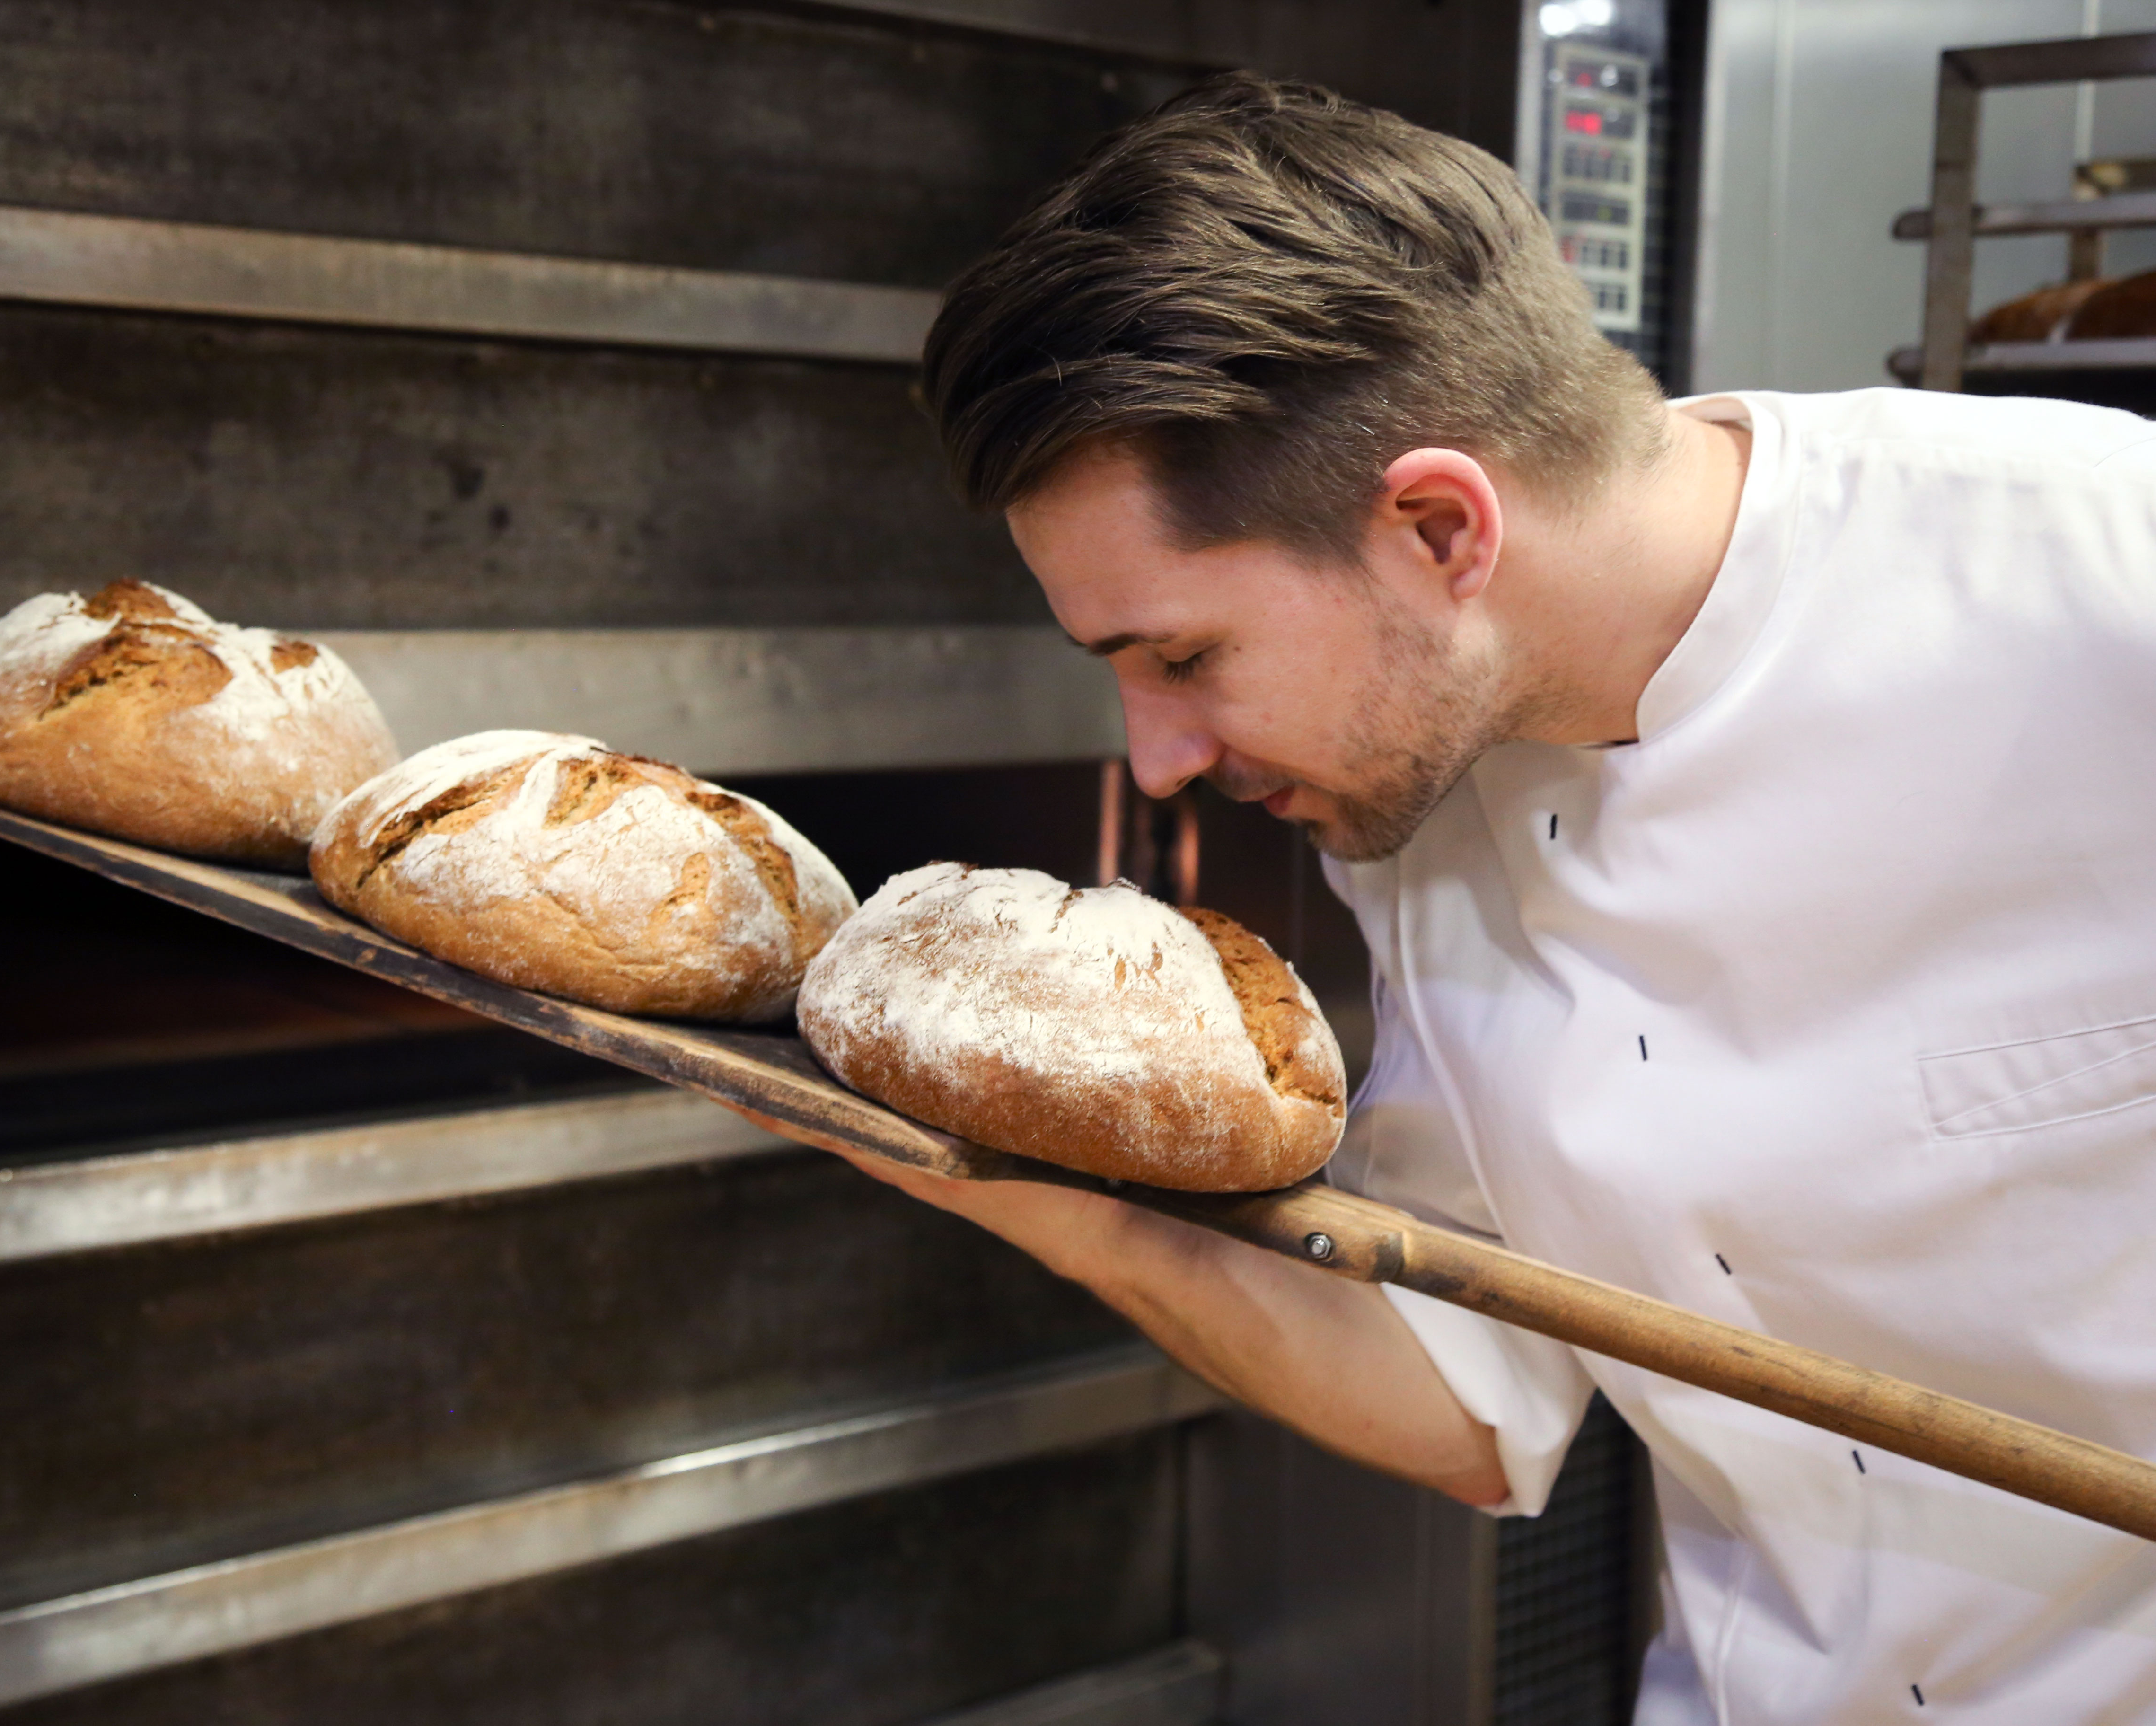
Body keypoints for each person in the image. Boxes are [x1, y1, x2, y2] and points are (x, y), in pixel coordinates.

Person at [733, 73, 2156, 1723]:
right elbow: (1473, 1393)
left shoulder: (2104, 584)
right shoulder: (1425, 807)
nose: (1164, 758)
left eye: (1185, 656)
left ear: (1436, 526)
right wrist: (1046, 1207)